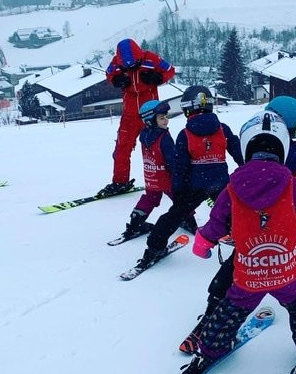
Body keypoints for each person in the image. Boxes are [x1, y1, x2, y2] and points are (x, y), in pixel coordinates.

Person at [180, 96, 296, 352]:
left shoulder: (250, 163)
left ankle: (216, 309)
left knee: (239, 266)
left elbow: (229, 206)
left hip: (256, 233)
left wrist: (208, 237)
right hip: (291, 230)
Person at [136, 85, 243, 268]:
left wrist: (179, 192)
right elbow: (239, 152)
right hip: (221, 184)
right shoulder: (223, 129)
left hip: (195, 186)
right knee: (235, 213)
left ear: (187, 109)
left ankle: (155, 247)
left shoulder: (184, 135)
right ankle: (248, 241)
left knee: (174, 216)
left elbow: (180, 168)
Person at [98, 39, 175, 197]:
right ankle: (120, 182)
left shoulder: (151, 59)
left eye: (135, 63)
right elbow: (109, 74)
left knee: (161, 148)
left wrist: (158, 78)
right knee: (122, 148)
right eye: (127, 66)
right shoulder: (116, 63)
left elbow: (170, 70)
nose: (132, 67)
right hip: (130, 115)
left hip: (152, 113)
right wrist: (115, 80)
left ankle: (173, 178)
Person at [117, 99, 197, 240]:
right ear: (149, 120)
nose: (166, 120)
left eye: (166, 117)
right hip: (167, 179)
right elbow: (172, 160)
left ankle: (135, 223)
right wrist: (181, 175)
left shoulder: (144, 135)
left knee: (149, 199)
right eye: (161, 118)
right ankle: (190, 223)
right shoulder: (163, 137)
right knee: (182, 200)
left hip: (151, 177)